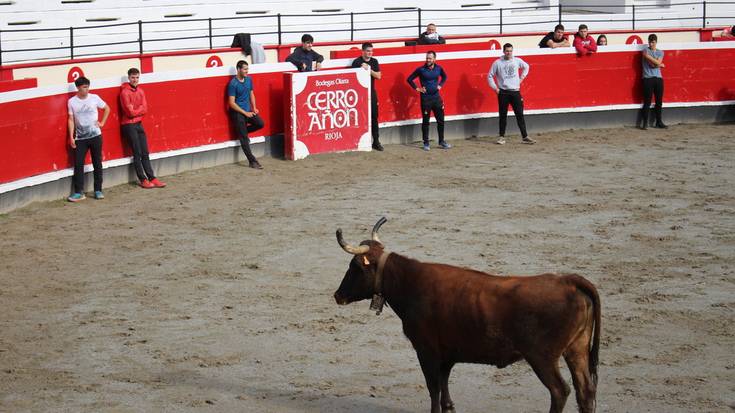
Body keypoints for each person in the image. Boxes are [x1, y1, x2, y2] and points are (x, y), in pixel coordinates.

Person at [120, 68, 166, 189]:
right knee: (137, 152)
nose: (135, 80)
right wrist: (139, 110)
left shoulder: (141, 91)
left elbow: (145, 109)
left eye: (137, 77)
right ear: (128, 78)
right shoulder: (125, 92)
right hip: (128, 125)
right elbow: (129, 113)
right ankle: (143, 179)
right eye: (133, 77)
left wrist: (137, 111)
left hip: (138, 124)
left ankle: (152, 177)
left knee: (145, 152)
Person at [67, 76, 110, 202]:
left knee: (97, 162)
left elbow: (107, 108)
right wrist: (71, 136)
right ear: (78, 88)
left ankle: (98, 190)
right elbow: (70, 119)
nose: (86, 89)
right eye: (84, 87)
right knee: (78, 164)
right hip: (80, 138)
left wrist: (102, 122)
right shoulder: (71, 102)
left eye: (87, 87)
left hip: (95, 135)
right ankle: (79, 192)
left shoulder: (94, 98)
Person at [487, 43, 535, 145]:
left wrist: (521, 78)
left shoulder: (517, 60)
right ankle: (501, 137)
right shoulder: (497, 63)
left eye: (510, 51)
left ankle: (525, 136)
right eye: (507, 51)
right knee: (503, 115)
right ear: (503, 51)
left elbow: (526, 66)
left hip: (515, 92)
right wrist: (495, 88)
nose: (509, 53)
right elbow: (490, 76)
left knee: (520, 114)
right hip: (503, 92)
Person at [407, 51, 451, 151]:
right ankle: (426, 143)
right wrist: (417, 89)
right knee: (426, 121)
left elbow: (444, 77)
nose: (428, 60)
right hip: (426, 99)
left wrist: (440, 85)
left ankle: (441, 141)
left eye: (430, 58)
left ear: (434, 59)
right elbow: (409, 79)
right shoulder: (421, 69)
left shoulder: (439, 68)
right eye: (427, 58)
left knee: (441, 120)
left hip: (436, 98)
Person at [228, 60, 265, 168]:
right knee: (244, 139)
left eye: (247, 69)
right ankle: (252, 161)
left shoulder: (249, 80)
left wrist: (254, 108)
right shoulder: (233, 84)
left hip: (248, 110)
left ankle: (242, 132)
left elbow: (251, 93)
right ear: (238, 69)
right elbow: (231, 103)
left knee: (260, 123)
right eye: (244, 69)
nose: (246, 71)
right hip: (238, 113)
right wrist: (245, 113)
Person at [351, 42, 383, 151]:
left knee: (374, 117)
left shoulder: (374, 61)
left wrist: (369, 69)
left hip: (371, 92)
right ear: (363, 51)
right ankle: (358, 141)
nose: (370, 53)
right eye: (368, 51)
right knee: (359, 117)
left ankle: (376, 141)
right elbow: (353, 78)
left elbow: (378, 76)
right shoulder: (357, 62)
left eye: (371, 51)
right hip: (359, 94)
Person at [640, 33, 667, 130]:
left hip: (658, 78)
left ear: (656, 42)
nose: (651, 44)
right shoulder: (645, 50)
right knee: (647, 101)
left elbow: (656, 63)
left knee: (659, 101)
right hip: (648, 78)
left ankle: (659, 122)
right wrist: (660, 64)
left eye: (653, 42)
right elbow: (653, 65)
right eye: (650, 42)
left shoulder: (660, 52)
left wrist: (656, 62)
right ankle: (645, 123)